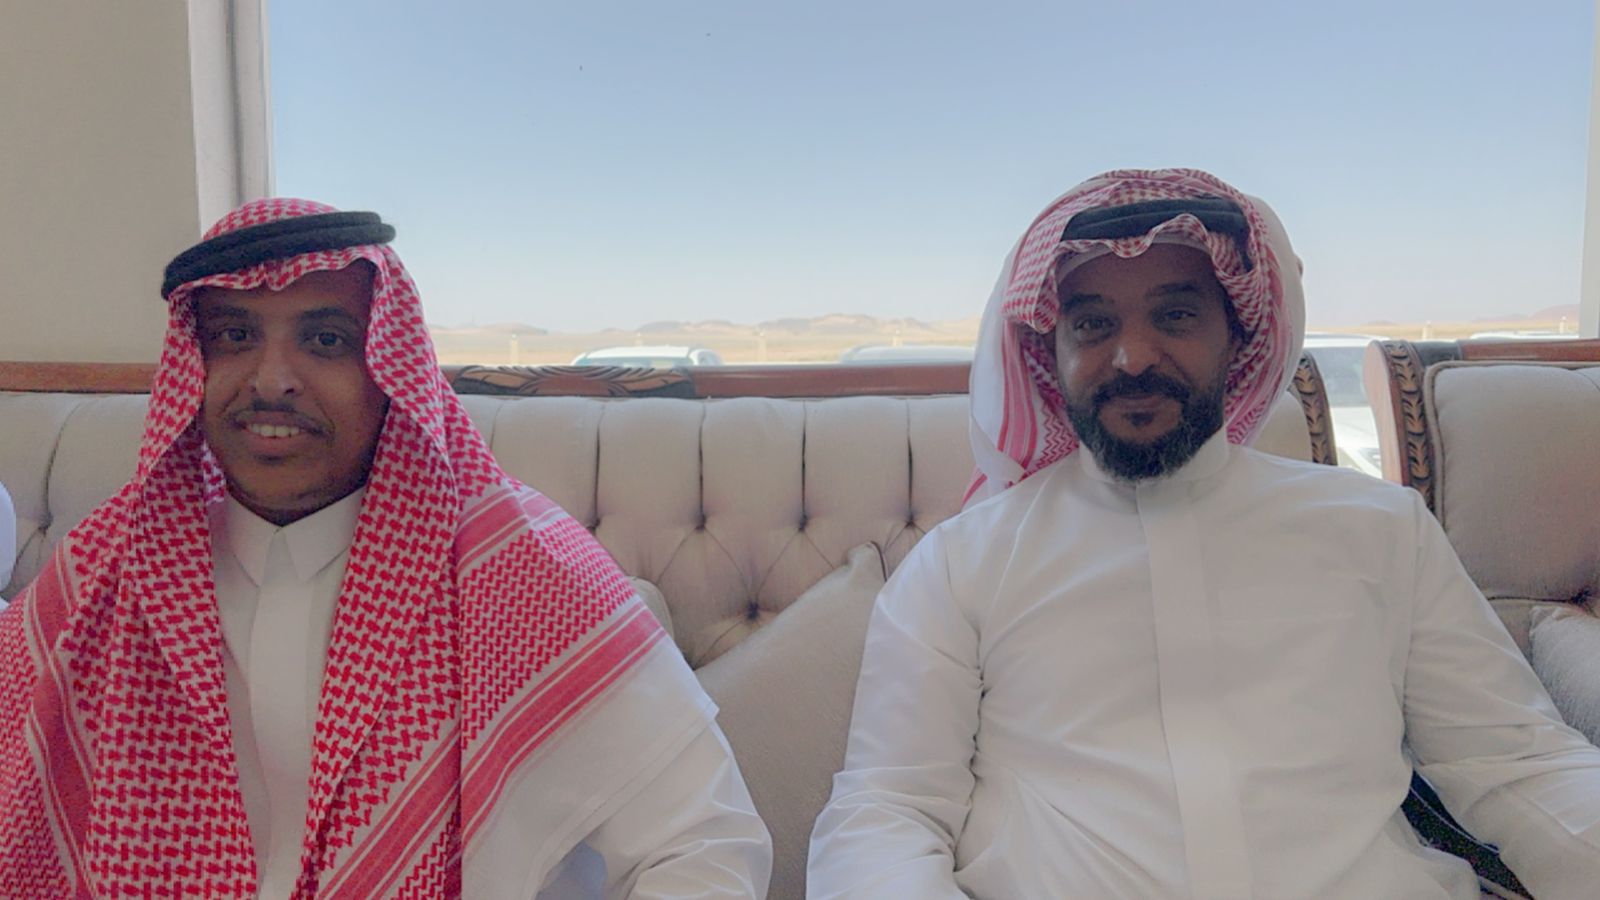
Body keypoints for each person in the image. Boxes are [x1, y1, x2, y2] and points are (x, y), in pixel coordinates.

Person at [807, 168, 1600, 899]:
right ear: (1052, 353)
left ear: (1239, 334)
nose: (1131, 357)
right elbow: (889, 808)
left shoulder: (1381, 532)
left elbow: (1516, 763)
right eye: (1092, 324)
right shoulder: (962, 563)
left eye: (1176, 316)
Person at [0, 199, 771, 898]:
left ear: (388, 372)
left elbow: (703, 845)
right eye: (234, 336)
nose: (271, 380)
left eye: (325, 340)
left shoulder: (525, 570)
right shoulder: (105, 572)